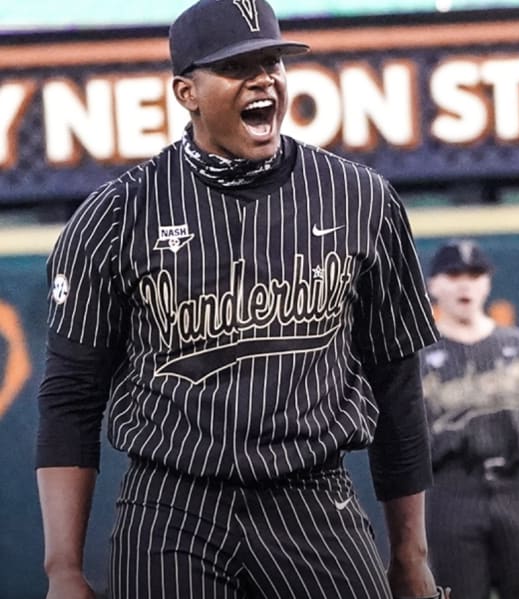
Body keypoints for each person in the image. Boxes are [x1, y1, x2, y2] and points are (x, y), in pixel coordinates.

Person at [35, 1, 446, 598]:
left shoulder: (361, 199)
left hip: (312, 498)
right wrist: (62, 569)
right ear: (187, 92)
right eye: (236, 67)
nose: (263, 79)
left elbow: (396, 385)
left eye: (272, 61)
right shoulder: (117, 215)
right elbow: (71, 397)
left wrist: (411, 556)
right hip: (169, 502)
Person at [420, 239, 519, 599]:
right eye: (454, 273)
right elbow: (404, 449)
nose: (465, 283)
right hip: (450, 492)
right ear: (434, 284)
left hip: (518, 491)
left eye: (475, 274)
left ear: (487, 283)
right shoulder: (418, 356)